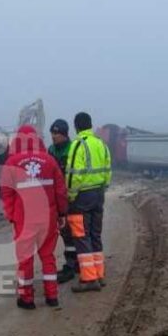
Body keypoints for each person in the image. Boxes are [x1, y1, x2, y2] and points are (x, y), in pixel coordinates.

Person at [0, 125, 68, 309]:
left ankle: (26, 298)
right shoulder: (50, 160)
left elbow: (6, 195)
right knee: (47, 256)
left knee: (25, 259)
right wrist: (62, 213)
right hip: (48, 217)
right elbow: (60, 191)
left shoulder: (12, 163)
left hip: (24, 219)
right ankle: (52, 296)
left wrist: (11, 216)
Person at [66, 112, 112, 293]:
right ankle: (99, 275)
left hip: (82, 197)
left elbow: (73, 175)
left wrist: (70, 195)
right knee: (95, 235)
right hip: (99, 193)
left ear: (76, 126)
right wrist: (103, 188)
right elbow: (108, 169)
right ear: (90, 125)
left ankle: (88, 279)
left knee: (81, 236)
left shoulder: (78, 145)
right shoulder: (101, 144)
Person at [48, 119, 78, 283]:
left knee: (75, 231)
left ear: (65, 134)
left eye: (56, 133)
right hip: (59, 197)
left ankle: (73, 264)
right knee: (66, 232)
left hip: (72, 197)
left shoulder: (73, 149)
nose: (53, 136)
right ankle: (73, 262)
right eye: (52, 133)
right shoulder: (51, 150)